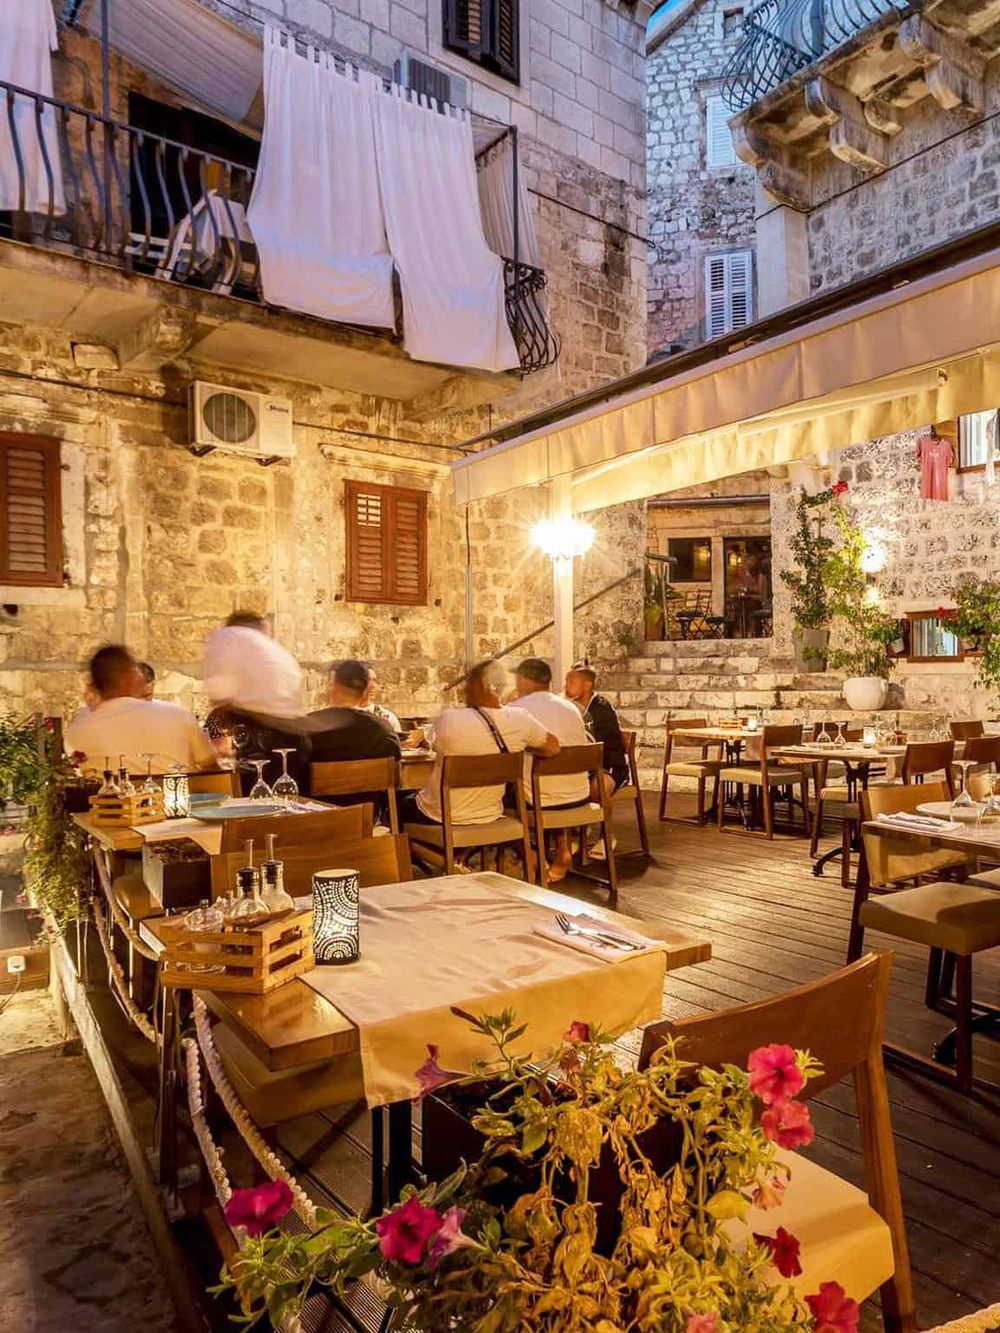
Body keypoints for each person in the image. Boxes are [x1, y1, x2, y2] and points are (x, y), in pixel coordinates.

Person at [400, 661, 559, 831]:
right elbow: (553, 747)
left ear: (483, 686)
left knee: (397, 805)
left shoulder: (449, 719)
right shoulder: (521, 719)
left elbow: (432, 744)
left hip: (441, 817)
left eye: (470, 683)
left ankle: (422, 848)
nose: (464, 689)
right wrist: (520, 745)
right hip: (491, 814)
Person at [202, 610, 310, 792]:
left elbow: (219, 692)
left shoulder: (229, 636)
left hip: (262, 736)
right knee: (287, 802)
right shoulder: (278, 650)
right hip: (297, 736)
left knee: (253, 802)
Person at [65, 645, 216, 775]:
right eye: (136, 670)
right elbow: (209, 764)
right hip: (176, 798)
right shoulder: (176, 714)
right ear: (128, 677)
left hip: (109, 800)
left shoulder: (78, 730)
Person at [509, 658, 591, 881]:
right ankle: (563, 849)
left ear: (523, 679)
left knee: (495, 804)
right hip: (580, 796)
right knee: (551, 784)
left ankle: (532, 857)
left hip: (540, 801)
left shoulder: (517, 710)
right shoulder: (572, 708)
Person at [308, 660, 401, 819]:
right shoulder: (384, 731)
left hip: (316, 820)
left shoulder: (308, 726)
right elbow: (396, 781)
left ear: (334, 687)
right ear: (365, 692)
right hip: (366, 819)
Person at [564, 663, 629, 793]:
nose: (566, 686)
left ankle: (603, 807)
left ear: (587, 685)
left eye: (571, 683)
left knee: (598, 788)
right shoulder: (567, 707)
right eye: (566, 682)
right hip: (579, 765)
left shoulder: (601, 709)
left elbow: (599, 747)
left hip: (607, 766)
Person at [362, 668, 402, 733]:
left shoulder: (388, 717)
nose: (373, 685)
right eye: (367, 680)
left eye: (374, 680)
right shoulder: (345, 717)